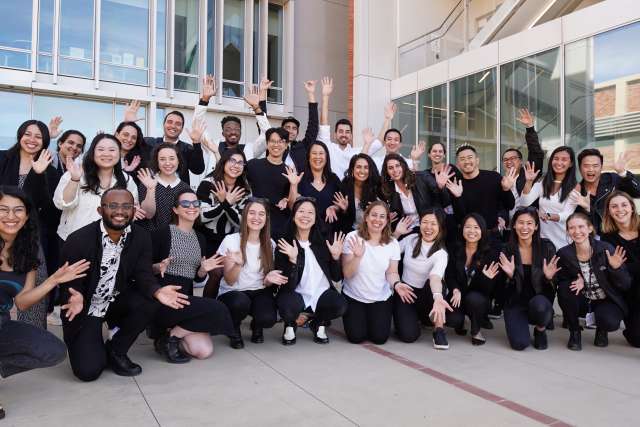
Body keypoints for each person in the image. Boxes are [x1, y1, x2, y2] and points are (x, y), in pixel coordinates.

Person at [59, 188, 194, 381]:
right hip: (86, 307)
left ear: (133, 210)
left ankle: (117, 349)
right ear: (100, 211)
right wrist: (76, 295)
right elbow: (68, 283)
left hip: (116, 301)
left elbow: (143, 274)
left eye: (126, 206)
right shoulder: (78, 240)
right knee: (88, 371)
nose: (120, 211)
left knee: (151, 299)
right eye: (112, 206)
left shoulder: (140, 237)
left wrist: (157, 291)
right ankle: (92, 341)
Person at [0, 186, 86, 419]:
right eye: (3, 210)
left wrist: (53, 281)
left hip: (2, 324)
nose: (10, 216)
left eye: (18, 210)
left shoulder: (26, 252)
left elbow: (23, 302)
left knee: (53, 351)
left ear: (27, 215)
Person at [151, 189, 234, 363]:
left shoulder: (200, 238)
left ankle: (169, 337)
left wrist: (203, 271)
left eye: (195, 203)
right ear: (175, 209)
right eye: (185, 204)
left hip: (186, 300)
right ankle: (163, 331)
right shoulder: (162, 233)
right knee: (218, 308)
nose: (192, 207)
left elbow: (196, 278)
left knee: (204, 351)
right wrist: (158, 267)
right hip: (164, 298)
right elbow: (143, 270)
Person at [275, 198, 347, 345]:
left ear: (315, 219)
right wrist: (293, 260)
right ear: (294, 216)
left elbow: (336, 276)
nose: (305, 216)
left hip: (321, 292)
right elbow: (286, 285)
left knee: (340, 305)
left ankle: (318, 322)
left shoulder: (323, 241)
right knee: (287, 308)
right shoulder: (284, 243)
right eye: (301, 211)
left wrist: (335, 258)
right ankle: (290, 324)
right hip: (295, 293)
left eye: (310, 213)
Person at [53, 134, 150, 242]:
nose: (106, 154)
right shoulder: (76, 172)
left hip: (114, 243)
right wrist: (74, 179)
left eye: (112, 150)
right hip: (75, 239)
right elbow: (62, 204)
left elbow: (132, 210)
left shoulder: (127, 180)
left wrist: (132, 212)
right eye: (101, 149)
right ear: (92, 152)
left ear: (119, 154)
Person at [556, 212, 632, 351]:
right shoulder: (564, 253)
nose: (577, 231)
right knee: (565, 288)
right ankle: (574, 331)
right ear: (567, 231)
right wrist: (575, 281)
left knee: (609, 321)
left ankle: (602, 330)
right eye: (572, 228)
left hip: (604, 299)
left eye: (581, 226)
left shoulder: (605, 249)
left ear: (590, 228)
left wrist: (616, 269)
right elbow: (561, 280)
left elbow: (625, 284)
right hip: (583, 299)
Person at [216, 198, 285, 349]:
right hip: (234, 292)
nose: (256, 218)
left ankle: (257, 324)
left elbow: (265, 282)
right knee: (240, 303)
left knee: (268, 318)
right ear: (245, 216)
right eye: (252, 213)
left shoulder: (270, 244)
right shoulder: (231, 240)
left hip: (258, 290)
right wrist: (238, 265)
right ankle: (233, 328)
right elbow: (229, 280)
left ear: (266, 219)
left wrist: (269, 279)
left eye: (261, 214)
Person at [498, 207, 560, 350]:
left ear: (536, 226)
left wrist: (549, 278)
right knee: (520, 344)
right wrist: (510, 276)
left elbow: (552, 289)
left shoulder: (547, 247)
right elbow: (501, 290)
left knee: (540, 306)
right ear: (513, 225)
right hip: (515, 302)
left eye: (529, 223)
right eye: (520, 222)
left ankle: (540, 329)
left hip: (539, 301)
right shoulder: (506, 249)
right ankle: (521, 323)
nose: (525, 227)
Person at [341, 201, 401, 344]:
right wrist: (357, 256)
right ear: (366, 217)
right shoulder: (352, 237)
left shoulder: (393, 243)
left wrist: (397, 284)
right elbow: (347, 274)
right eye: (374, 215)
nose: (377, 220)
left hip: (380, 297)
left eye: (382, 216)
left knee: (379, 338)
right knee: (356, 337)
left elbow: (392, 272)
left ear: (387, 221)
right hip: (354, 296)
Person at [393, 209, 453, 348]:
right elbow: (387, 249)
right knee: (408, 336)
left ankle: (439, 330)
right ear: (419, 224)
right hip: (406, 292)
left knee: (439, 287)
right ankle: (413, 319)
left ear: (440, 228)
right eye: (425, 222)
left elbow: (435, 277)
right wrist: (396, 233)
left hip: (428, 294)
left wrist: (438, 297)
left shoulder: (441, 253)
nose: (428, 227)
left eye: (433, 223)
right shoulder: (411, 240)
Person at [444, 213, 503, 345]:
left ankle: (476, 330)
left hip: (478, 297)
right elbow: (450, 275)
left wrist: (485, 278)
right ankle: (461, 322)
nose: (471, 231)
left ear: (482, 230)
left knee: (474, 299)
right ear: (462, 229)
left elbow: (487, 290)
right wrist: (454, 289)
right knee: (451, 320)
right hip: (458, 295)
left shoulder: (490, 253)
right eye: (468, 227)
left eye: (476, 227)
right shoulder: (455, 248)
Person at [124, 101, 206, 186]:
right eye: (170, 122)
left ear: (182, 129)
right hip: (148, 194)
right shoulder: (148, 143)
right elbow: (127, 147)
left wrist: (196, 143)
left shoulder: (187, 148)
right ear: (163, 124)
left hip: (178, 195)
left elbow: (198, 170)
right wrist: (128, 124)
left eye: (178, 124)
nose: (173, 126)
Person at [317, 77, 383, 179]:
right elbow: (324, 123)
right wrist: (325, 96)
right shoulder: (329, 147)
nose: (344, 134)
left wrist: (387, 119)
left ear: (351, 135)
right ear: (335, 134)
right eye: (341, 131)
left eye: (347, 132)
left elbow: (379, 143)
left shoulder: (357, 152)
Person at [518, 146, 579, 250]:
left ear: (571, 164)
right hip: (543, 239)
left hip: (563, 240)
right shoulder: (543, 181)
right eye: (556, 158)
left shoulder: (575, 186)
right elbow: (524, 202)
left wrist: (548, 216)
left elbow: (567, 214)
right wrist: (529, 181)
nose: (559, 162)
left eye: (564, 159)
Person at [600, 190, 640, 347]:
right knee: (637, 340)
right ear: (609, 211)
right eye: (614, 206)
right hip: (628, 292)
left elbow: (621, 267)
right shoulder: (607, 238)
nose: (620, 210)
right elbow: (613, 270)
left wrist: (623, 267)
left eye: (624, 205)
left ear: (631, 207)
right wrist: (618, 268)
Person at [452, 145, 516, 236]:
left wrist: (506, 189)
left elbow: (509, 205)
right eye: (462, 159)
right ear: (458, 164)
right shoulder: (456, 184)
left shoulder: (493, 177)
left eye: (470, 157)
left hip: (492, 235)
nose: (466, 161)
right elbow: (459, 217)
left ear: (477, 160)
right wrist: (457, 197)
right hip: (468, 236)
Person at [196, 148, 251, 256]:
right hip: (206, 241)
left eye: (240, 163)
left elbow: (242, 222)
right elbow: (201, 216)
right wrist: (226, 203)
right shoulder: (208, 184)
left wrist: (225, 203)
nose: (236, 165)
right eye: (232, 161)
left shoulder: (244, 190)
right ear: (224, 162)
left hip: (232, 243)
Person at [380, 153, 447, 237]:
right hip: (407, 231)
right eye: (390, 168)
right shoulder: (388, 190)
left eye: (397, 166)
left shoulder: (421, 177)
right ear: (387, 172)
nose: (395, 170)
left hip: (428, 227)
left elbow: (443, 201)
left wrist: (441, 187)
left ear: (403, 166)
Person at [246, 128, 296, 239]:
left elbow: (291, 203)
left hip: (279, 225)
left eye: (281, 141)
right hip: (256, 222)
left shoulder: (289, 172)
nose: (276, 145)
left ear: (286, 144)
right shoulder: (253, 165)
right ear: (267, 143)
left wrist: (289, 193)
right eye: (273, 141)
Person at [577, 148, 640, 235]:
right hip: (601, 242)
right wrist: (588, 210)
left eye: (595, 166)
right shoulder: (577, 194)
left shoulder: (612, 179)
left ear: (601, 167)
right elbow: (587, 229)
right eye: (586, 166)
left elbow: (637, 192)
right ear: (580, 168)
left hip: (623, 234)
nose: (591, 169)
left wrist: (623, 173)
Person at [500, 108, 545, 220]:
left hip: (527, 226)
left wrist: (530, 128)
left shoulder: (528, 175)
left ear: (520, 161)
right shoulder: (500, 181)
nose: (509, 162)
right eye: (505, 160)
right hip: (507, 229)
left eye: (513, 158)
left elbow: (536, 153)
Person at [289, 141, 343, 233]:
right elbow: (292, 206)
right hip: (305, 233)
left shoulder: (334, 179)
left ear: (326, 157)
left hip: (330, 234)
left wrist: (335, 207)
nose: (318, 157)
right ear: (308, 157)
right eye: (314, 153)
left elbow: (341, 204)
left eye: (321, 153)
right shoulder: (299, 178)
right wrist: (293, 185)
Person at [136, 143, 192, 232]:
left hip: (175, 239)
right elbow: (148, 214)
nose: (167, 163)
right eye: (162, 159)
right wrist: (151, 189)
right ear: (157, 162)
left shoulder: (185, 188)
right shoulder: (147, 182)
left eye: (172, 158)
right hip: (149, 238)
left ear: (178, 160)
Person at [337, 153, 381, 233]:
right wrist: (344, 210)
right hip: (350, 233)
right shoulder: (345, 186)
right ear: (352, 169)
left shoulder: (376, 187)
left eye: (366, 167)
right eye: (358, 167)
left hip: (371, 232)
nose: (362, 171)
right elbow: (341, 222)